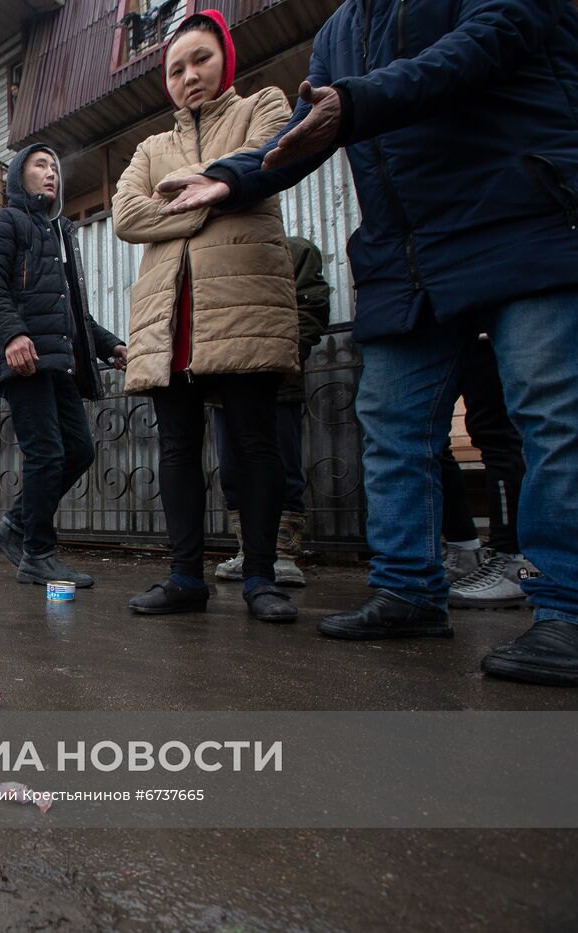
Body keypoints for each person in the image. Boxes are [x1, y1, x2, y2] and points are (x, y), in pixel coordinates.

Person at [158, 0, 578, 684]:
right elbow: (305, 132)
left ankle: (568, 607)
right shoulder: (341, 32)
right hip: (405, 252)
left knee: (552, 411)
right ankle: (408, 588)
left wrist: (353, 104)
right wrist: (231, 176)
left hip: (520, 210)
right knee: (392, 422)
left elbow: (483, 45)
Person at [112, 11, 299, 622]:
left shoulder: (263, 106)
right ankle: (185, 575)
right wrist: (212, 199)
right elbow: (124, 217)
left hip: (241, 302)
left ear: (226, 61)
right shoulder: (149, 147)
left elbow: (269, 158)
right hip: (172, 313)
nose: (189, 76)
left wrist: (198, 187)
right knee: (177, 445)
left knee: (254, 441)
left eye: (201, 60)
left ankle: (261, 577)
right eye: (176, 68)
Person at [0, 143, 127, 587]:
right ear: (19, 174)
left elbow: (73, 312)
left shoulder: (60, 233)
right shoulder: (4, 223)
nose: (51, 172)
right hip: (23, 360)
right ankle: (37, 553)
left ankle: (14, 527)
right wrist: (13, 334)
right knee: (46, 454)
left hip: (58, 362)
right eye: (40, 164)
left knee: (80, 449)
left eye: (55, 166)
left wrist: (108, 345)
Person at [214, 236, 331, 587]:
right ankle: (248, 550)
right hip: (225, 381)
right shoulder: (219, 254)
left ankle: (281, 553)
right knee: (233, 470)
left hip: (276, 381)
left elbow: (312, 307)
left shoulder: (294, 250)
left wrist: (283, 357)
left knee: (281, 464)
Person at [438, 336, 532, 608]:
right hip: (439, 325)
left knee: (495, 430)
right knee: (425, 441)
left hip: (485, 329)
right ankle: (465, 551)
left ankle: (515, 563)